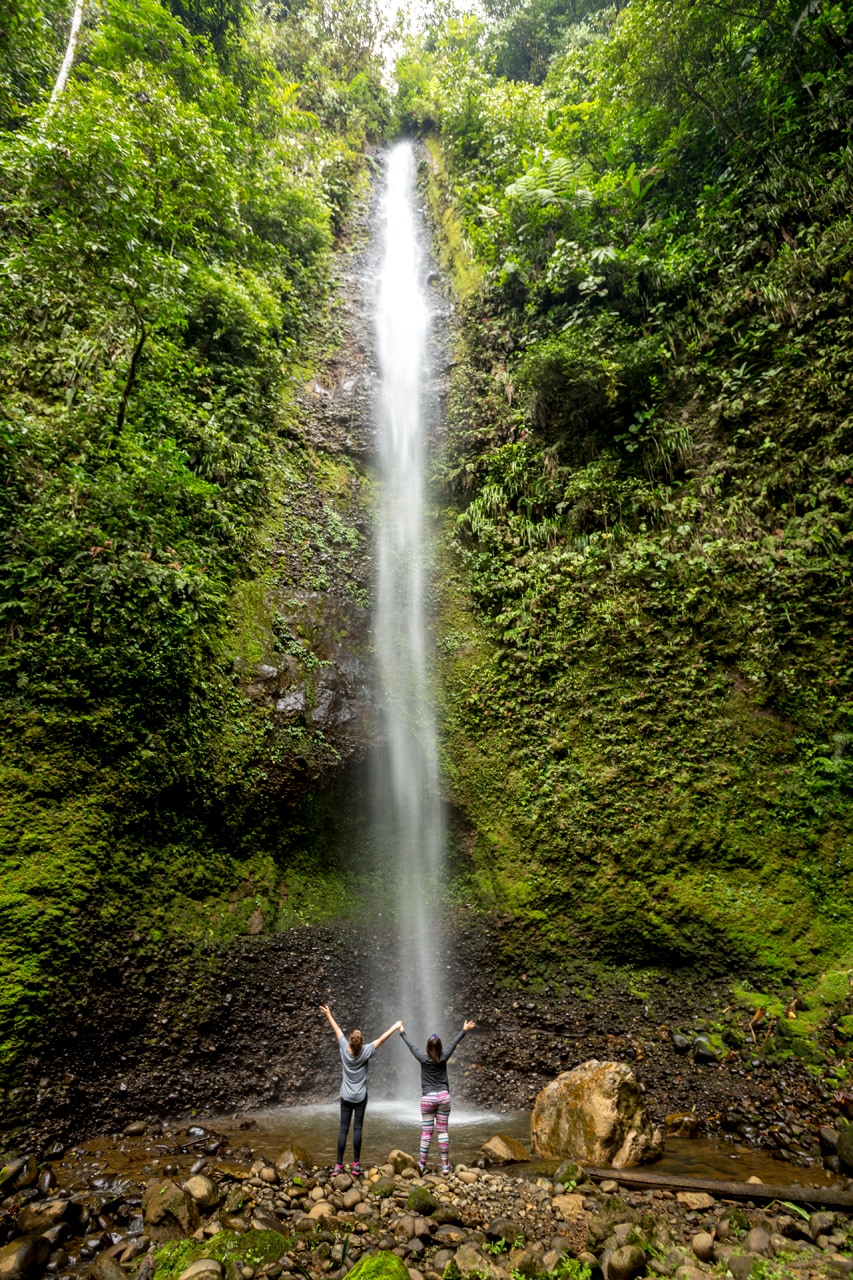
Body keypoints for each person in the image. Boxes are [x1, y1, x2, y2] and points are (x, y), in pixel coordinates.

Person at [320, 1004, 401, 1175]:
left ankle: (338, 1165)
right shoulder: (366, 1051)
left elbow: (337, 1029)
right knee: (357, 1129)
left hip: (346, 1096)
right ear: (362, 1042)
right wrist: (395, 1026)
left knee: (343, 1129)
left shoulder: (343, 1047)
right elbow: (382, 1038)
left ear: (350, 1040)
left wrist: (328, 1014)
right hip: (360, 1097)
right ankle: (356, 1165)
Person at [400, 1018, 475, 1175]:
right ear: (440, 1047)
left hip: (428, 1098)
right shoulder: (444, 1056)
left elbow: (411, 1046)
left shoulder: (423, 1058)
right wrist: (464, 1030)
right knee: (442, 1131)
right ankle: (445, 1165)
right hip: (443, 1097)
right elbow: (453, 1044)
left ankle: (422, 1164)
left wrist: (402, 1032)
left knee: (427, 1132)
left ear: (427, 1048)